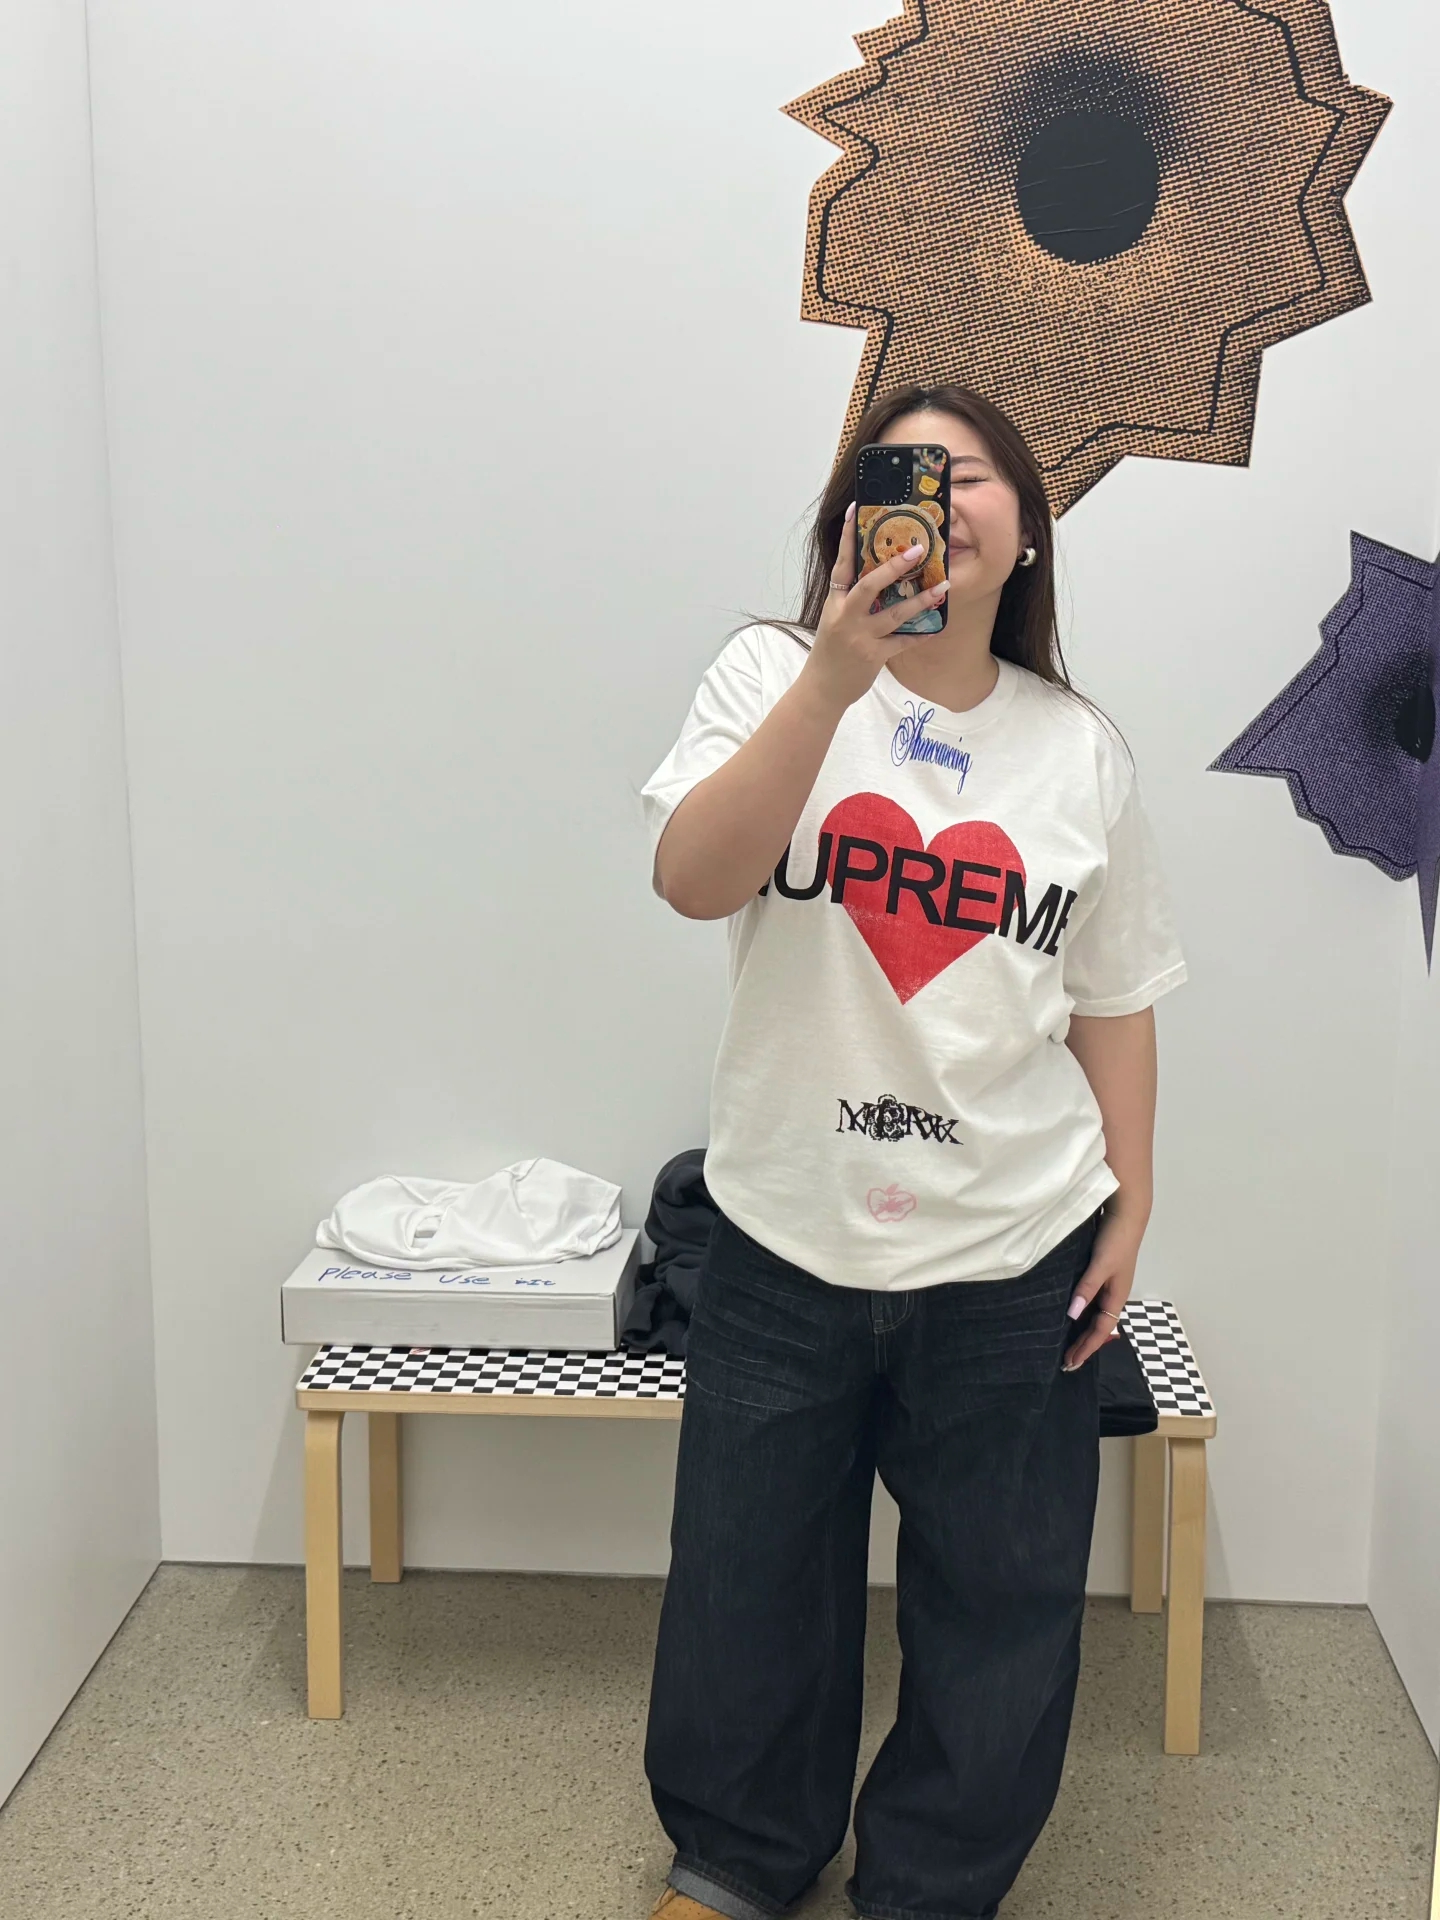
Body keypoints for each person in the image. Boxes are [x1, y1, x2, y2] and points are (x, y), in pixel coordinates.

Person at [637, 383, 1187, 1920]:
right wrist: (834, 676)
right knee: (748, 1583)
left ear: (1030, 531)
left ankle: (932, 1886)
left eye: (976, 473)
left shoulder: (1080, 750)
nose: (943, 498)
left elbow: (1115, 1000)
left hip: (1012, 1248)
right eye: (908, 473)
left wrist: (1133, 1204)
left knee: (1001, 1605)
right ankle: (737, 1859)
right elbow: (694, 879)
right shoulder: (771, 674)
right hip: (783, 1232)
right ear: (854, 519)